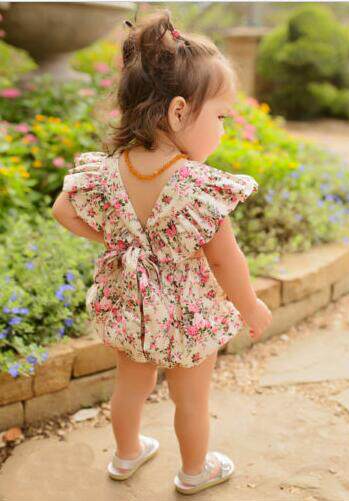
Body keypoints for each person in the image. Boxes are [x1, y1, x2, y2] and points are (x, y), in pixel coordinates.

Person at [52, 8, 272, 495]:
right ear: (178, 112)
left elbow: (61, 210)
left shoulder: (109, 169)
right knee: (190, 397)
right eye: (219, 117)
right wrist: (250, 305)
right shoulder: (195, 185)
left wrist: (119, 238)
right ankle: (194, 471)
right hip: (188, 312)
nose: (223, 129)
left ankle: (127, 454)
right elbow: (224, 259)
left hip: (131, 304)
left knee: (131, 385)